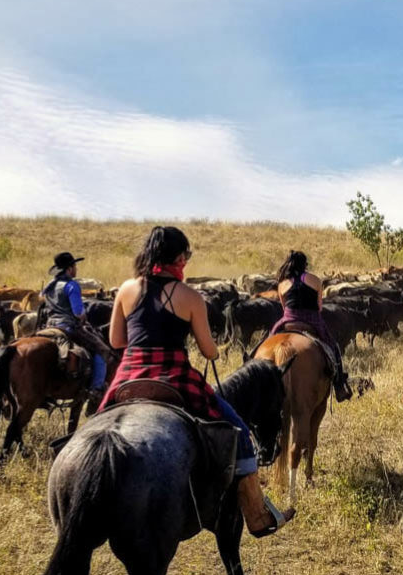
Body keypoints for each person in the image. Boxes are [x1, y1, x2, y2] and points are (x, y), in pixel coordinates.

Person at [99, 226, 292, 537]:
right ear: (178, 258)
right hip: (173, 377)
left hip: (129, 376)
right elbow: (208, 350)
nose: (186, 263)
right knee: (239, 431)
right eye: (185, 257)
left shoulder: (126, 289)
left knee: (97, 424)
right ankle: (256, 515)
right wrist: (212, 348)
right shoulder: (189, 297)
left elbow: (116, 340)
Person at [265, 250, 353, 401]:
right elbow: (319, 307)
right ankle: (339, 385)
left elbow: (284, 308)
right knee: (333, 347)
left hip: (288, 320)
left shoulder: (282, 284)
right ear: (305, 264)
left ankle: (255, 373)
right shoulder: (315, 280)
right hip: (311, 320)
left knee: (267, 341)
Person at [41, 252, 109, 406]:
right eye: (75, 266)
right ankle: (96, 390)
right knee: (102, 351)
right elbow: (78, 312)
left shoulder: (49, 286)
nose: (76, 269)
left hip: (49, 326)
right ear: (69, 269)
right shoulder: (71, 286)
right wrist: (84, 316)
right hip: (68, 327)